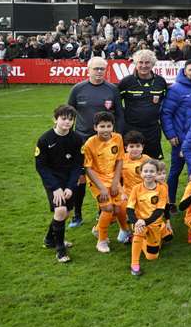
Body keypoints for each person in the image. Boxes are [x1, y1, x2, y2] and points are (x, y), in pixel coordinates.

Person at [67, 56, 124, 227]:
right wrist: (69, 138)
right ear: (88, 69)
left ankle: (103, 213)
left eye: (102, 69)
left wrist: (117, 136)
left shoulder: (112, 89)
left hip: (106, 143)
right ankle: (77, 214)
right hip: (83, 140)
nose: (99, 72)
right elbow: (69, 114)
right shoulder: (78, 89)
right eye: (95, 69)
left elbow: (120, 114)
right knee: (81, 179)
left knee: (106, 176)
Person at [36, 104, 85, 263]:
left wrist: (71, 187)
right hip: (53, 181)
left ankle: (50, 239)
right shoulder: (45, 139)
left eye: (70, 119)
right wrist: (55, 188)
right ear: (55, 119)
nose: (67, 122)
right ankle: (60, 250)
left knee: (67, 212)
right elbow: (41, 166)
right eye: (63, 119)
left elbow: (78, 165)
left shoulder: (77, 139)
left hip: (69, 179)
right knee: (61, 210)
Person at [162, 59, 191, 207]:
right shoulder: (175, 89)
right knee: (175, 171)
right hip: (180, 140)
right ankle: (170, 202)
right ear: (185, 71)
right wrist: (170, 134)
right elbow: (166, 113)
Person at [83, 111, 131, 253]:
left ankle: (101, 229)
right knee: (108, 208)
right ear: (95, 127)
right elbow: (88, 169)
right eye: (102, 126)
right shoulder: (89, 144)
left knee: (120, 208)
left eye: (108, 126)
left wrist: (116, 181)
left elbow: (120, 160)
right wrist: (102, 188)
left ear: (113, 127)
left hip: (113, 178)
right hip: (96, 180)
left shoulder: (118, 138)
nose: (105, 129)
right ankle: (102, 241)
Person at [118, 49, 168, 160]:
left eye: (147, 62)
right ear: (135, 63)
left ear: (153, 64)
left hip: (153, 130)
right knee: (131, 163)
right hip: (131, 129)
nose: (144, 66)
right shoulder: (126, 82)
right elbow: (116, 104)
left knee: (153, 163)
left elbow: (165, 104)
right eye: (140, 62)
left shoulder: (161, 82)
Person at [126, 158, 168, 276]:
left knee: (152, 257)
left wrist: (145, 221)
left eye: (152, 171)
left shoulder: (162, 188)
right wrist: (137, 221)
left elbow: (160, 210)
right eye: (146, 171)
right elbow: (129, 208)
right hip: (139, 222)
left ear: (156, 173)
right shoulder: (136, 189)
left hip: (154, 222)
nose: (148, 174)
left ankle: (158, 232)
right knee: (139, 231)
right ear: (141, 173)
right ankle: (134, 264)